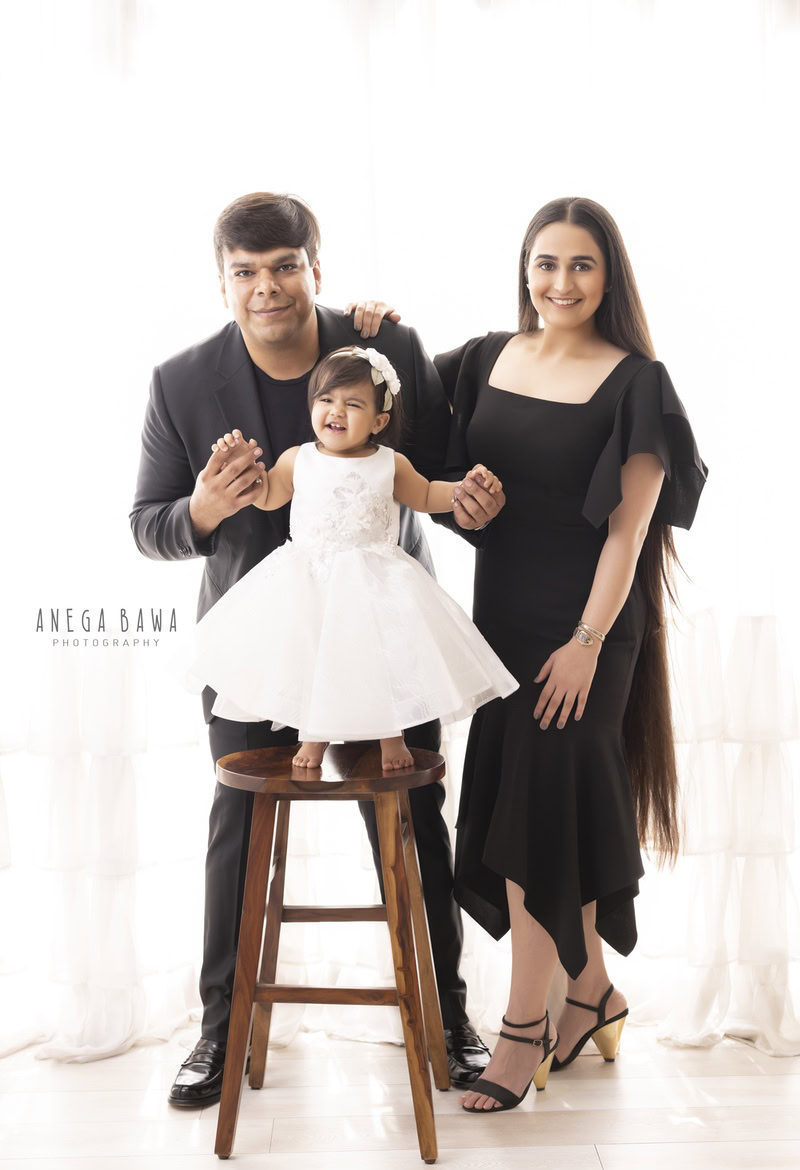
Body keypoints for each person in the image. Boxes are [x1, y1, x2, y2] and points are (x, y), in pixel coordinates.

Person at [129, 192, 503, 1108]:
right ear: (222, 283)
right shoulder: (179, 381)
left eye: (286, 266)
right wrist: (209, 508)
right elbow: (149, 524)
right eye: (246, 273)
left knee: (417, 820)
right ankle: (221, 1031)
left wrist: (475, 502)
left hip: (382, 632)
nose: (268, 288)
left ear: (317, 267)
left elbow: (438, 479)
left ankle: (449, 1020)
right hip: (259, 644)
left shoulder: (388, 347)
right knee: (236, 820)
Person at [352, 195, 708, 1112]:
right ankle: (591, 994)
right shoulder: (480, 359)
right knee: (534, 807)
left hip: (588, 629)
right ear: (524, 268)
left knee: (536, 819)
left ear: (609, 276)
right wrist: (382, 329)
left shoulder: (638, 383)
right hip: (503, 620)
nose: (560, 282)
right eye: (545, 263)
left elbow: (628, 537)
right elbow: (398, 431)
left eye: (581, 265)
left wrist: (588, 644)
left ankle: (523, 1033)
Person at [171, 346, 517, 769]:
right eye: (326, 400)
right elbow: (268, 495)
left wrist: (465, 489)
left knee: (381, 662)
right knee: (317, 662)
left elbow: (427, 494)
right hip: (310, 579)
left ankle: (393, 740)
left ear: (379, 421)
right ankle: (313, 740)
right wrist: (242, 471)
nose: (336, 411)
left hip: (375, 582)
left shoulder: (391, 463)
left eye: (352, 404)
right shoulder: (299, 459)